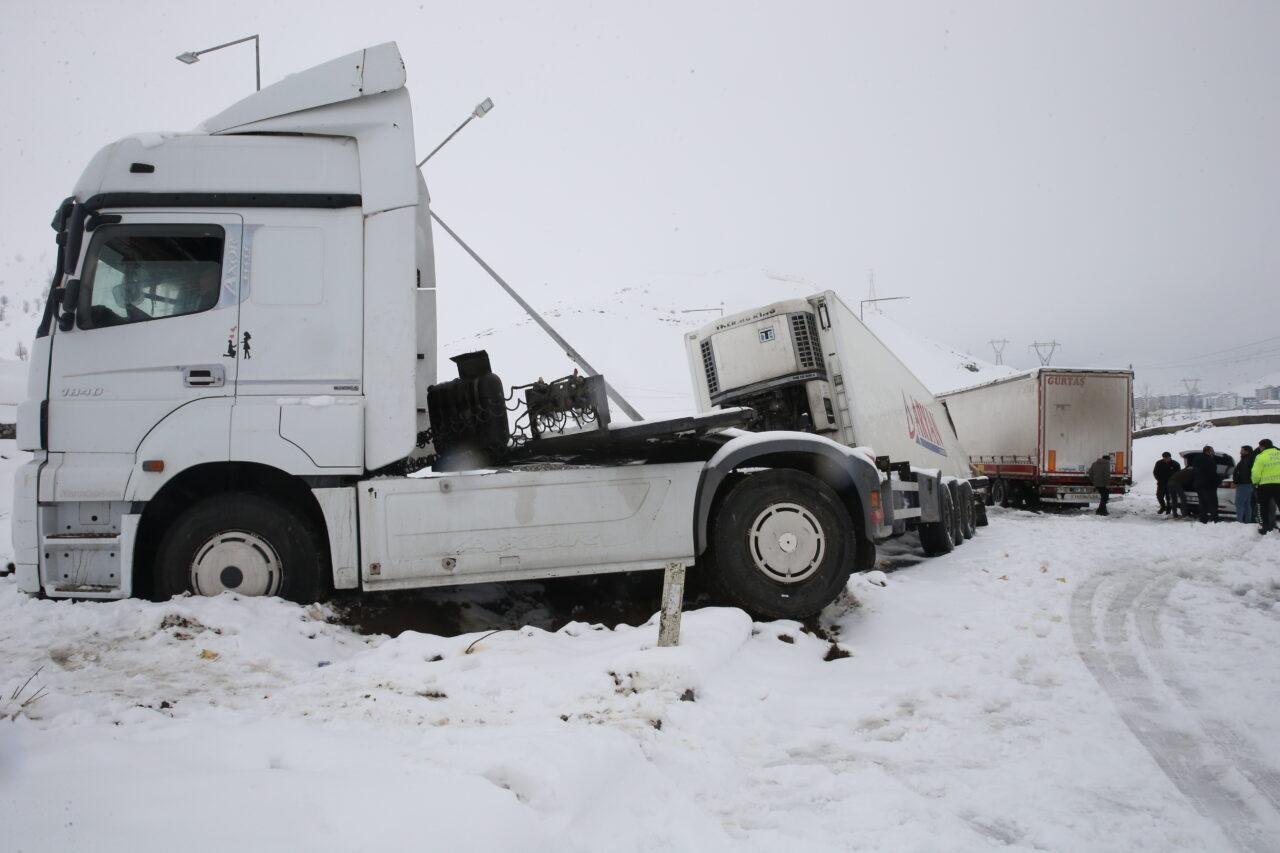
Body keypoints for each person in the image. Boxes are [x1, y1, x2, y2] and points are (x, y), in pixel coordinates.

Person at [1253, 438, 1280, 534]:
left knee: (1262, 507)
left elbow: (1255, 473)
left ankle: (1265, 527)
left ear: (1263, 447)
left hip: (1265, 486)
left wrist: (1255, 481)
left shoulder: (1261, 456)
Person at [1191, 445, 1221, 523]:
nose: (1214, 452)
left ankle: (1203, 519)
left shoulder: (1196, 459)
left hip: (1199, 484)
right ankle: (1215, 519)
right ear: (1208, 451)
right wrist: (1219, 480)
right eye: (1212, 451)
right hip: (1209, 485)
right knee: (1213, 503)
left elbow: (1194, 472)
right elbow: (1211, 474)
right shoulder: (1209, 460)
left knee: (1202, 502)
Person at [1233, 446, 1255, 524]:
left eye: (1242, 450)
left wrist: (1237, 481)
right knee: (1246, 503)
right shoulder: (1247, 459)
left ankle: (1239, 521)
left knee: (1239, 503)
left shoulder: (1246, 460)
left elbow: (1244, 473)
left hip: (1244, 484)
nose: (1240, 452)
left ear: (1247, 451)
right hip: (1247, 484)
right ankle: (1247, 521)